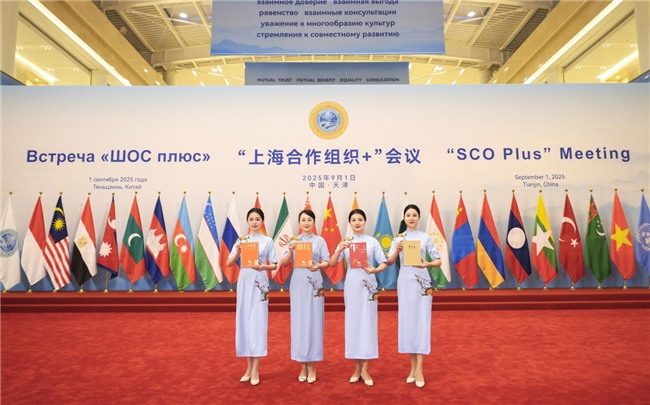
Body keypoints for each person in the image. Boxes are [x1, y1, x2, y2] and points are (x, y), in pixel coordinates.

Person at [330, 208, 387, 387]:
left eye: (360, 219)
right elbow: (332, 263)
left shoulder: (372, 242)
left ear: (365, 221)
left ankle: (366, 369)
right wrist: (340, 249)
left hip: (369, 285)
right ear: (350, 223)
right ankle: (356, 368)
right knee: (353, 324)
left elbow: (384, 263)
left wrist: (375, 270)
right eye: (354, 220)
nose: (357, 222)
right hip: (352, 286)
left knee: (368, 324)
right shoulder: (346, 242)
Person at [386, 204, 441, 389]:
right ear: (404, 218)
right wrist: (397, 250)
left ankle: (420, 369)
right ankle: (412, 369)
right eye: (408, 215)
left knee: (421, 323)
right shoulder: (398, 239)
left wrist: (427, 264)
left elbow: (438, 260)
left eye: (414, 215)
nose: (411, 218)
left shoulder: (425, 238)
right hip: (405, 283)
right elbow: (389, 261)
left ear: (419, 218)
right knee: (408, 323)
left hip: (422, 283)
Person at [226, 208, 278, 386]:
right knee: (244, 321)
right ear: (247, 221)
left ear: (262, 221)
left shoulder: (267, 241)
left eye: (257, 219)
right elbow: (228, 262)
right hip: (244, 282)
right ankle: (248, 367)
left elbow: (275, 265)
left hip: (260, 282)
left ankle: (256, 367)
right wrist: (238, 252)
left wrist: (264, 267)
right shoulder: (242, 240)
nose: (254, 222)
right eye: (251, 219)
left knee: (258, 322)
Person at [281, 209, 330, 384]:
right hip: (298, 283)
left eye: (309, 219)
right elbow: (285, 263)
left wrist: (318, 266)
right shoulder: (294, 240)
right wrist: (290, 251)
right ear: (299, 223)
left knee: (314, 321)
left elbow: (327, 261)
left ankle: (312, 365)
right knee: (299, 322)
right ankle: (302, 364)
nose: (306, 223)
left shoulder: (320, 240)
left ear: (314, 222)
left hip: (315, 281)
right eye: (303, 220)